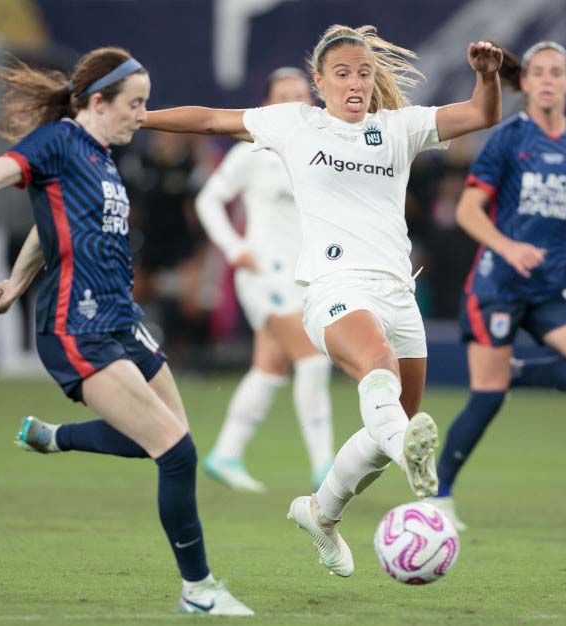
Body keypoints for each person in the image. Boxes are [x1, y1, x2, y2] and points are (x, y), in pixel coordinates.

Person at [142, 24, 503, 577]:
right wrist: (141, 118)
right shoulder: (295, 124)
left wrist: (488, 77)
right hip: (334, 288)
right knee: (378, 371)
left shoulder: (399, 128)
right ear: (319, 82)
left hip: (397, 293)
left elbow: (481, 114)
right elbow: (211, 119)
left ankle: (321, 513)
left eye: (363, 73)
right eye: (342, 74)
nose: (355, 83)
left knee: (388, 429)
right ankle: (418, 464)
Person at [0, 47, 253, 616]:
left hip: (123, 320)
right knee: (176, 453)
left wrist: (17, 281)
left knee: (173, 441)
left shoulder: (100, 157)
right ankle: (199, 590)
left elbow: (50, 229)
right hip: (78, 325)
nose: (142, 116)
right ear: (98, 101)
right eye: (135, 105)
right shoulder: (59, 143)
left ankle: (55, 437)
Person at [427, 42, 566, 531]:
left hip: (550, 284)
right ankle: (438, 494)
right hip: (498, 285)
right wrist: (508, 248)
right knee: (486, 397)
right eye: (539, 72)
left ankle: (515, 372)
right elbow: (467, 211)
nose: (549, 80)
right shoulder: (509, 137)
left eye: (558, 72)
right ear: (528, 83)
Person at [195, 67, 335, 493]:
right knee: (313, 358)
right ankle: (325, 466)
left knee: (270, 368)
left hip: (301, 274)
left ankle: (226, 453)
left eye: (300, 95)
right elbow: (208, 199)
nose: (293, 102)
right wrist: (235, 248)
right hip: (264, 273)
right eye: (283, 95)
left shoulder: (320, 151)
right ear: (267, 105)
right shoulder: (251, 152)